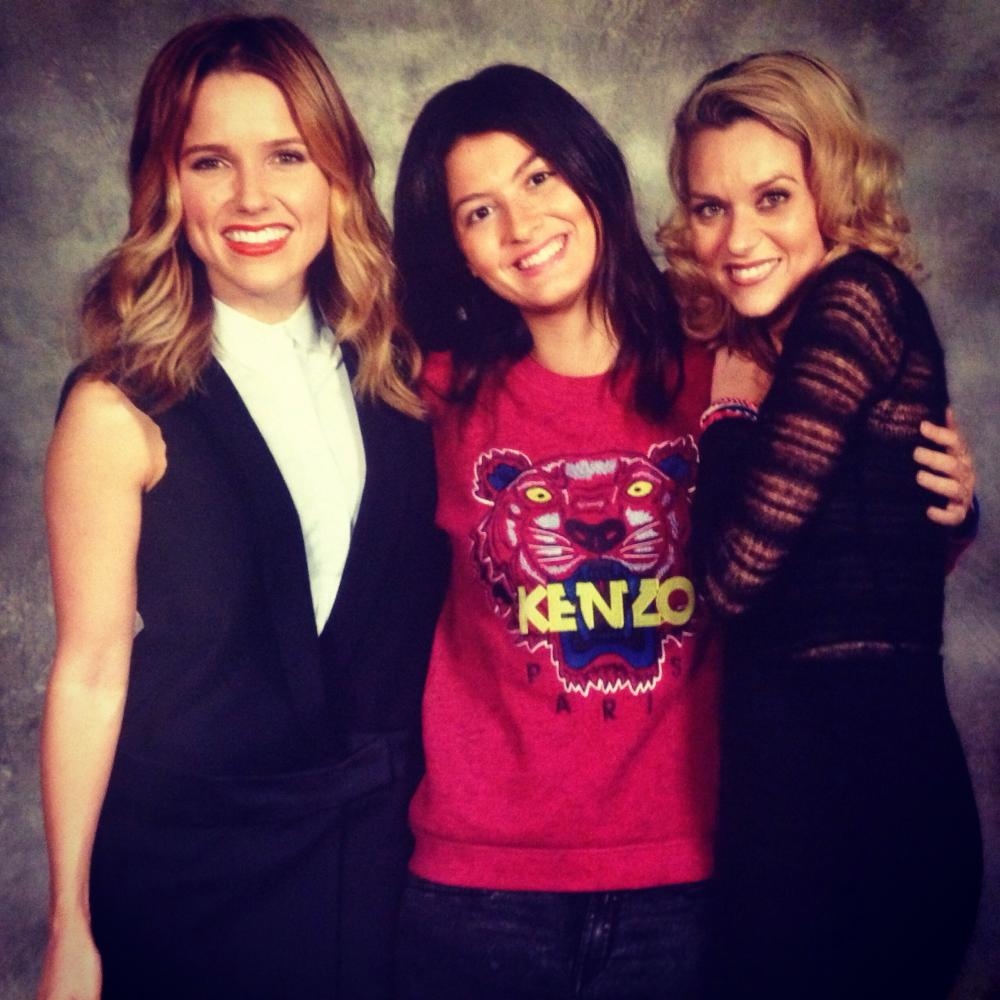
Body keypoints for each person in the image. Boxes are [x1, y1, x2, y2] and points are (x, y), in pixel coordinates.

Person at [390, 64, 973, 1000]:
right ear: (455, 247)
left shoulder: (734, 359)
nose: (521, 225)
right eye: (478, 211)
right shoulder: (430, 393)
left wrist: (949, 496)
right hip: (481, 881)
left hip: (697, 873)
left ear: (591, 175)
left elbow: (863, 561)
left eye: (538, 178)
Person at [37, 15, 444, 1000]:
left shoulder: (404, 371)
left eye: (286, 155)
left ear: (336, 174)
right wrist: (70, 926)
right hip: (193, 871)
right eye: (210, 161)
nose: (252, 196)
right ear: (166, 186)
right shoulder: (116, 407)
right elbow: (90, 670)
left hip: (381, 862)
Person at [660, 50, 982, 999]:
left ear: (832, 192)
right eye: (710, 207)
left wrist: (726, 415)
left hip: (858, 811)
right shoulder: (786, 331)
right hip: (800, 795)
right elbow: (882, 527)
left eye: (773, 198)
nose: (737, 239)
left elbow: (730, 578)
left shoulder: (853, 297)